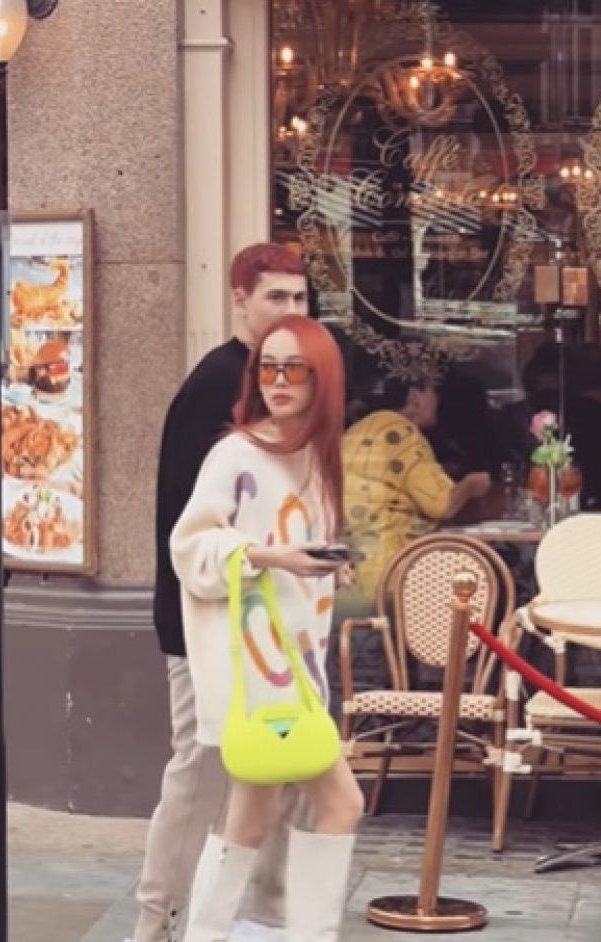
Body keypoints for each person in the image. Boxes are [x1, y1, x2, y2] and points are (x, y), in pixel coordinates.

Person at [170, 315, 364, 942]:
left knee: (249, 819)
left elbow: (299, 545)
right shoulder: (236, 454)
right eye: (268, 367)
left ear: (321, 379)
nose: (278, 381)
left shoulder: (317, 457)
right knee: (340, 803)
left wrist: (329, 565)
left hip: (294, 669)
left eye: (293, 368)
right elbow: (190, 548)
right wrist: (270, 557)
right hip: (262, 674)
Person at [136, 243, 308, 942]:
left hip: (267, 617)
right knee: (201, 773)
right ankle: (158, 925)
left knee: (277, 773)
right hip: (204, 614)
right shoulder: (217, 383)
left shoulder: (279, 378)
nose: (292, 309)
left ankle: (248, 922)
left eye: (300, 298)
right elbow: (186, 526)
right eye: (277, 297)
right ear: (240, 300)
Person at [342, 377, 491, 600]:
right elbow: (442, 504)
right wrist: (472, 484)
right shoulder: (400, 433)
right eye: (434, 392)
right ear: (415, 397)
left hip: (349, 571)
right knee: (475, 587)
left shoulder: (359, 430)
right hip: (387, 575)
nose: (438, 400)